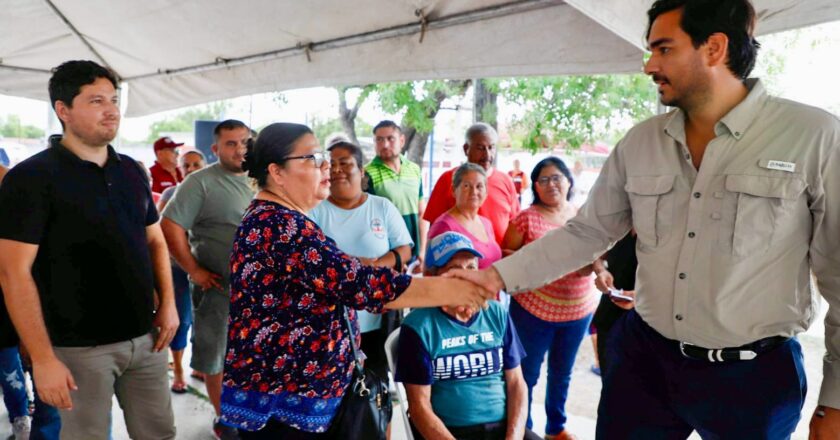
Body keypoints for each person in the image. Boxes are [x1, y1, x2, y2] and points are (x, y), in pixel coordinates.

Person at [448, 1, 840, 437]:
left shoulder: (814, 137)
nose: (650, 65)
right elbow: (587, 232)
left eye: (663, 49)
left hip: (753, 377)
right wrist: (495, 277)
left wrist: (837, 400)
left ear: (714, 48)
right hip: (646, 362)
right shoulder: (640, 143)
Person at [219, 122, 494, 439]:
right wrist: (455, 288)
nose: (327, 166)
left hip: (298, 398)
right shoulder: (279, 225)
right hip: (287, 407)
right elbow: (360, 284)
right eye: (312, 157)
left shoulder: (284, 220)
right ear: (277, 172)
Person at [0, 60, 178, 439]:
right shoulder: (31, 179)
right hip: (76, 349)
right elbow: (13, 272)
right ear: (63, 110)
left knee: (160, 433)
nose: (111, 109)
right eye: (96, 100)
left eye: (113, 99)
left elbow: (155, 241)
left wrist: (169, 303)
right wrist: (44, 357)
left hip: (145, 339)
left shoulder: (130, 171)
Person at [397, 231, 539, 440]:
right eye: (455, 270)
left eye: (471, 268)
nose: (466, 278)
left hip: (503, 429)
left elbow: (517, 383)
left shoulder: (496, 312)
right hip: (450, 433)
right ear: (432, 277)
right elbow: (420, 408)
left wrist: (513, 437)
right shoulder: (419, 326)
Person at [161, 119, 253, 439]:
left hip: (261, 296)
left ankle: (248, 415)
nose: (240, 149)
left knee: (252, 360)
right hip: (219, 289)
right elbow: (169, 226)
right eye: (231, 143)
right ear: (215, 150)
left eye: (245, 141)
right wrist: (193, 270)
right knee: (216, 358)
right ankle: (225, 420)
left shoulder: (267, 179)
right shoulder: (200, 182)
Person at [501, 157, 597, 440]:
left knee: (561, 373)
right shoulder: (526, 218)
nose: (551, 184)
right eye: (543, 180)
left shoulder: (582, 216)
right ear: (535, 187)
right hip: (533, 313)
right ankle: (525, 428)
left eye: (557, 177)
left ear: (568, 181)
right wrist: (538, 267)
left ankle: (556, 427)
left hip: (578, 311)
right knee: (526, 375)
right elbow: (506, 254)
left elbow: (596, 255)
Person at [309, 140, 413, 381]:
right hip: (330, 326)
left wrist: (373, 266)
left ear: (361, 170)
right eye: (330, 164)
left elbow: (404, 249)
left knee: (377, 395)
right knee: (337, 398)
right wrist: (354, 267)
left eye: (344, 163)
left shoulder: (382, 207)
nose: (336, 170)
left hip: (376, 321)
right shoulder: (315, 210)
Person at [156, 148, 207, 395]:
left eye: (197, 164)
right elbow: (160, 230)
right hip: (178, 268)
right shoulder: (171, 193)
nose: (191, 169)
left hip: (210, 268)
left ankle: (200, 365)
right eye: (187, 165)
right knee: (183, 319)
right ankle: (177, 370)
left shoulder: (213, 193)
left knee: (205, 319)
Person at [424, 123, 519, 246]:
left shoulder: (506, 181)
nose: (487, 155)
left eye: (491, 148)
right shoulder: (448, 179)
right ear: (466, 149)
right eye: (480, 148)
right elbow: (435, 230)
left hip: (499, 260)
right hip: (459, 262)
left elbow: (514, 225)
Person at [364, 120, 427, 263]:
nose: (385, 144)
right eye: (379, 140)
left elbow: (422, 213)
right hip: (386, 256)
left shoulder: (414, 170)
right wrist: (394, 259)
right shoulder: (367, 174)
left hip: (415, 256)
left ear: (402, 140)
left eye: (390, 139)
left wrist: (422, 251)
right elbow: (368, 220)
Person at [428, 163, 502, 270]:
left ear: (486, 192)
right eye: (467, 186)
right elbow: (431, 273)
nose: (474, 192)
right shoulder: (444, 226)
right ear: (454, 190)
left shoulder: (486, 223)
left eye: (479, 186)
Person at [591, 232, 637, 375]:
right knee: (608, 378)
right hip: (609, 313)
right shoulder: (619, 225)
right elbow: (595, 254)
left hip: (643, 320)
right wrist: (601, 271)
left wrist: (642, 295)